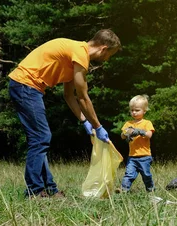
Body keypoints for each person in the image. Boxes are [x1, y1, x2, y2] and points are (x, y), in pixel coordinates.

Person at [8, 29, 121, 198]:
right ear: (104, 48)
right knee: (41, 138)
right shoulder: (80, 53)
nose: (107, 59)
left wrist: (84, 121)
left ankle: (50, 189)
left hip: (26, 87)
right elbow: (82, 97)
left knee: (40, 138)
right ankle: (34, 191)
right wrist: (98, 126)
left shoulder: (74, 55)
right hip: (26, 85)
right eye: (109, 55)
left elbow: (69, 95)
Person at [118, 95, 156, 193]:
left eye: (137, 110)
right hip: (132, 156)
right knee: (129, 174)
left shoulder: (147, 123)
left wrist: (140, 131)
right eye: (132, 110)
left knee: (146, 175)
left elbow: (149, 135)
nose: (134, 112)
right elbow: (122, 136)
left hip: (145, 156)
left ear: (144, 111)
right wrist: (126, 133)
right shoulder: (128, 124)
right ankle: (124, 190)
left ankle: (151, 191)